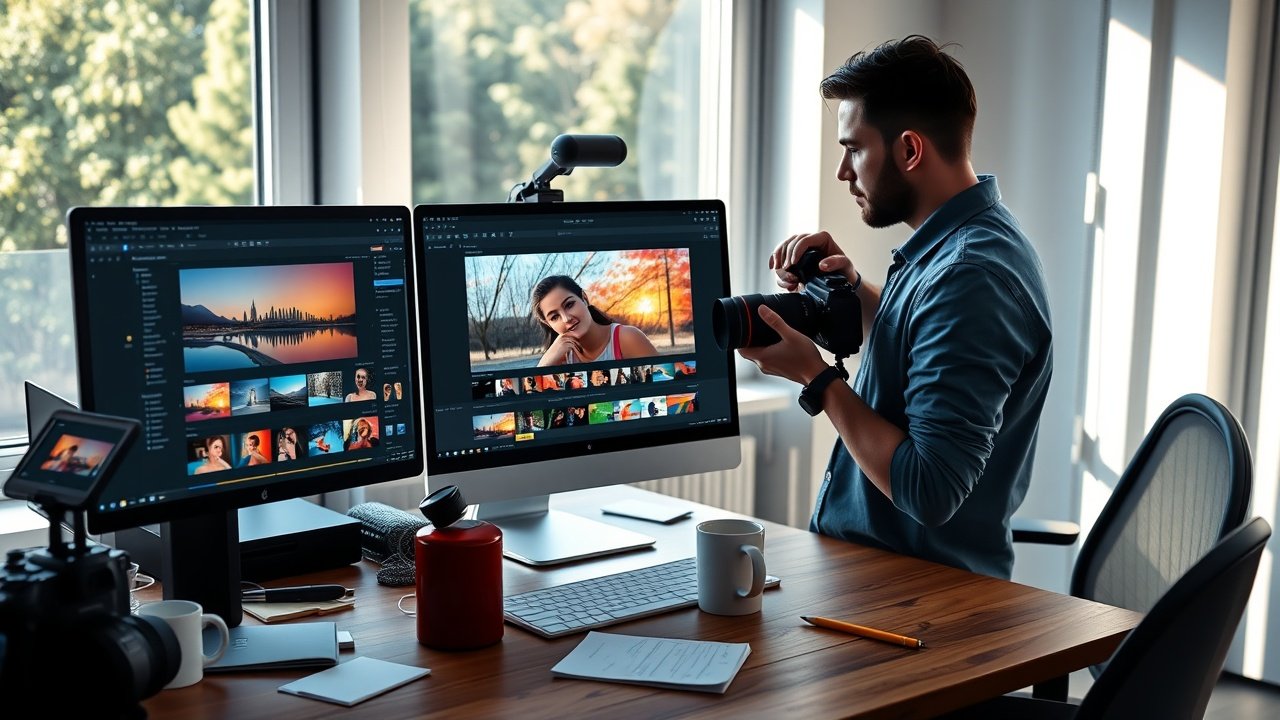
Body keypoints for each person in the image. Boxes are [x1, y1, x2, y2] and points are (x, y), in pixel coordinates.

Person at [737, 36, 1052, 580]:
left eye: (854, 148)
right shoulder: (961, 245)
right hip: (876, 576)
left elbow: (929, 489)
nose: (843, 171)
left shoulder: (970, 277)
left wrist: (814, 377)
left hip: (915, 598)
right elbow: (926, 337)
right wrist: (852, 287)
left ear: (909, 150)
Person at [531, 275, 659, 366]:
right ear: (548, 324)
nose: (566, 318)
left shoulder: (627, 338)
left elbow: (667, 389)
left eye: (569, 305)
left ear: (584, 298)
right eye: (554, 317)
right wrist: (545, 364)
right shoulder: (559, 358)